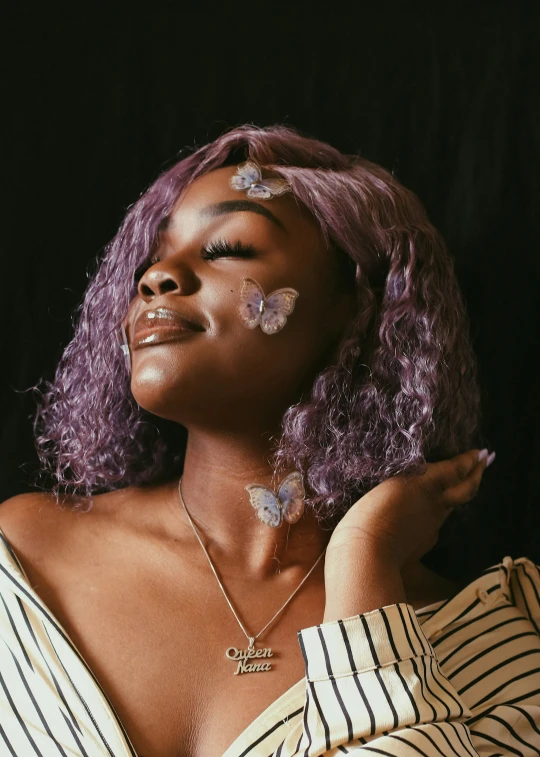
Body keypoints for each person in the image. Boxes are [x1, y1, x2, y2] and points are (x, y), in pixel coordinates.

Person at [0, 124, 538, 757]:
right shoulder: (22, 562)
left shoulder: (494, 647)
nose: (158, 277)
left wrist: (364, 571)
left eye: (230, 245)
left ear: (360, 305)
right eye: (153, 255)